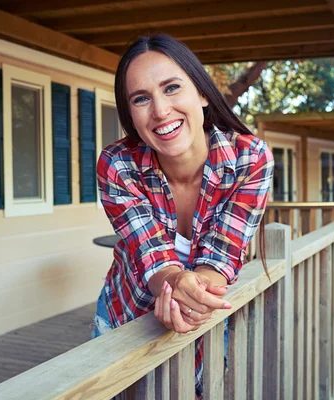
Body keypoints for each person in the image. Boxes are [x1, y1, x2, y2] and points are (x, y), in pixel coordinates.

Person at [93, 34, 274, 398]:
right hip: (125, 319)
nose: (160, 111)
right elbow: (152, 257)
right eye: (141, 98)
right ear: (130, 114)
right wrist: (175, 281)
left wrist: (192, 289)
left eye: (172, 88)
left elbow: (222, 256)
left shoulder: (249, 159)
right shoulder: (117, 165)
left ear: (203, 93)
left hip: (204, 322)